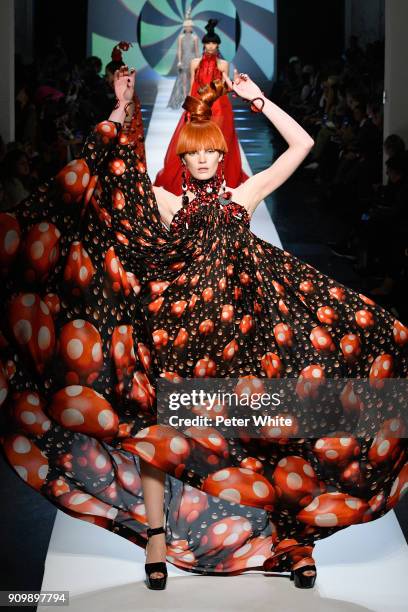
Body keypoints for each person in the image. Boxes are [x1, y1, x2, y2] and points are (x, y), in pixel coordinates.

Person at [1, 66, 407, 596]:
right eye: (191, 152)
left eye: (209, 150)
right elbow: (109, 181)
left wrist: (257, 100)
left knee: (276, 427)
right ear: (183, 157)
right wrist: (119, 107)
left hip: (247, 337)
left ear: (221, 154)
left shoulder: (245, 195)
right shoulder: (167, 203)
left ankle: (293, 540)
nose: (200, 159)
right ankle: (154, 538)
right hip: (182, 335)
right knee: (157, 430)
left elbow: (303, 143)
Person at [154, 18, 248, 195]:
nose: (211, 46)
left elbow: (225, 86)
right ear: (204, 44)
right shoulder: (195, 63)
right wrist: (190, 107)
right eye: (208, 43)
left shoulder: (223, 64)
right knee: (197, 142)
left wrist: (235, 85)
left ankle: (220, 179)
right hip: (199, 105)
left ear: (218, 45)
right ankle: (196, 180)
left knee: (219, 143)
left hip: (220, 106)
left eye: (214, 43)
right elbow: (191, 85)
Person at [167, 8, 199, 109]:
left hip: (193, 59)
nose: (188, 27)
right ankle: (185, 98)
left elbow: (197, 50)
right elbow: (180, 50)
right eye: (187, 26)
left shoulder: (195, 38)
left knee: (192, 79)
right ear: (184, 27)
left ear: (191, 27)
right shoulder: (181, 37)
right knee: (184, 79)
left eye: (190, 26)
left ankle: (191, 97)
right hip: (184, 60)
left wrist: (199, 60)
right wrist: (179, 61)